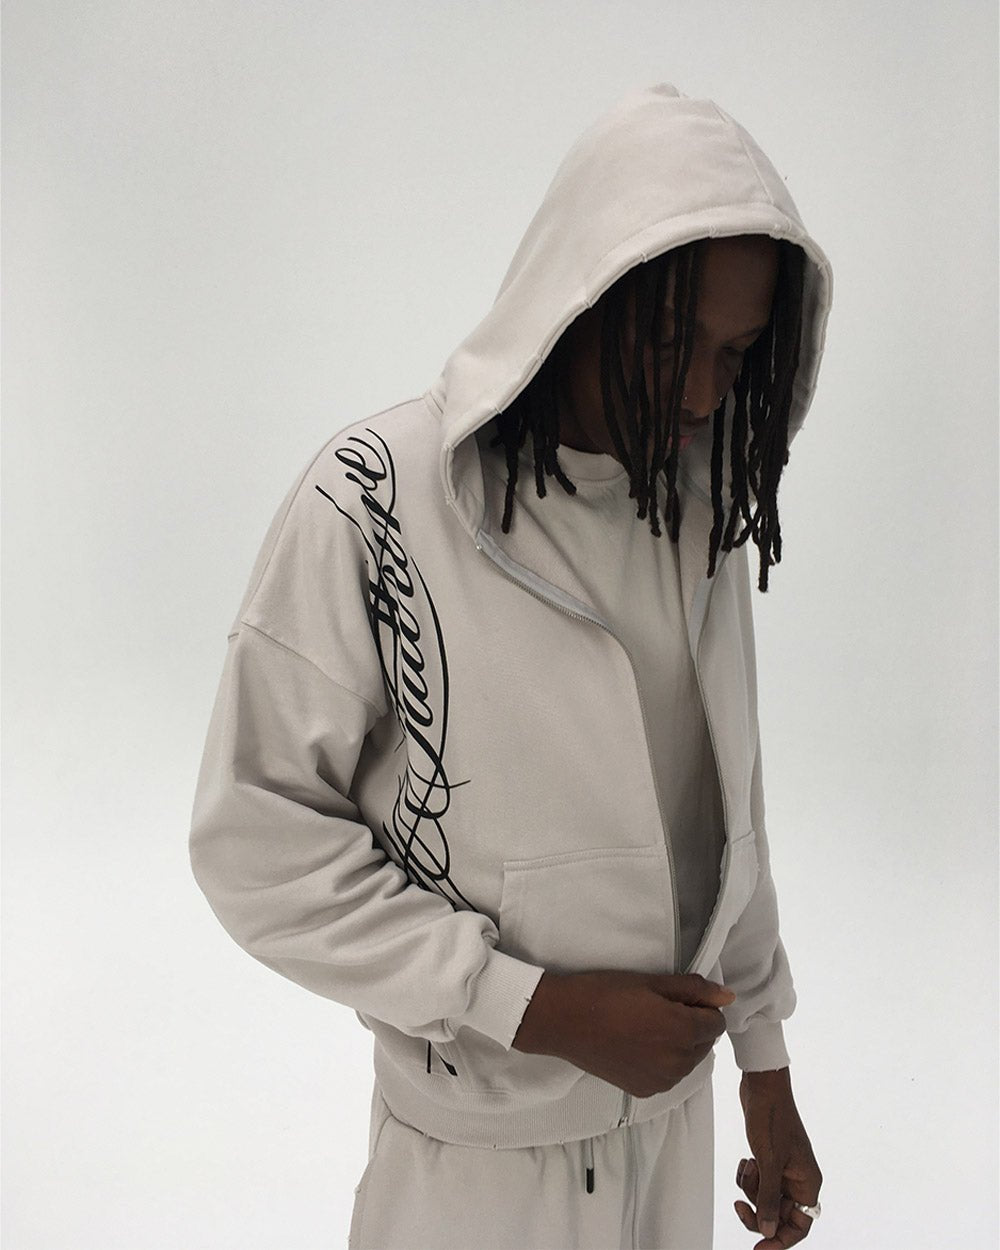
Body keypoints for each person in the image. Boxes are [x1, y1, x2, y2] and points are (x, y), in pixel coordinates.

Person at [189, 81, 832, 1249]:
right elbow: (254, 841)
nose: (703, 393)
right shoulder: (374, 503)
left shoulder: (691, 509)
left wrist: (764, 1060)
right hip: (474, 1165)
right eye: (670, 340)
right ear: (575, 298)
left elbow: (723, 813)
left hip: (668, 1133)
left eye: (737, 353)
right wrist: (530, 1006)